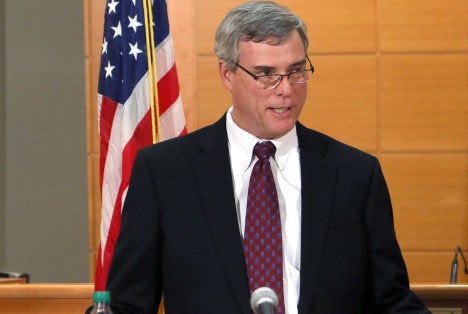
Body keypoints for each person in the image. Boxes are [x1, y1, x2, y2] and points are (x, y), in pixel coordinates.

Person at [101, 1, 431, 313]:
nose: (286, 89)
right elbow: (129, 302)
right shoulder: (165, 172)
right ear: (227, 73)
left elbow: (390, 299)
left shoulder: (355, 174)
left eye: (297, 70)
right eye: (266, 73)